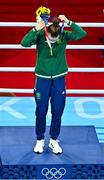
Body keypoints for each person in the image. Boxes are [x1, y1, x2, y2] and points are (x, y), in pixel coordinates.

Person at [21, 14, 87, 154]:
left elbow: (82, 33)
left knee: (57, 111)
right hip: (42, 81)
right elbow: (24, 43)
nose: (54, 40)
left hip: (59, 80)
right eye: (51, 38)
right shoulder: (39, 35)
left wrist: (69, 21)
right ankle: (40, 140)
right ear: (46, 33)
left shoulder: (63, 35)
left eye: (56, 38)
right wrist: (34, 29)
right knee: (40, 111)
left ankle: (53, 140)